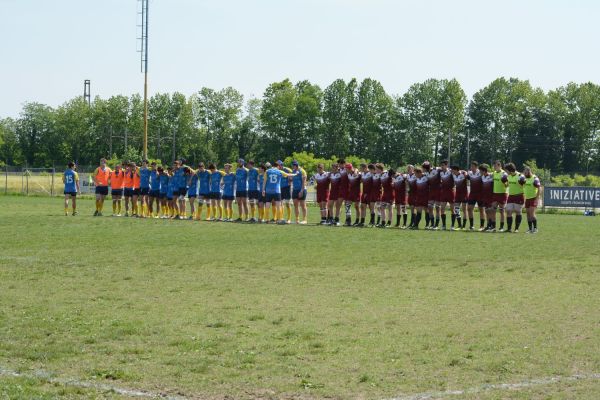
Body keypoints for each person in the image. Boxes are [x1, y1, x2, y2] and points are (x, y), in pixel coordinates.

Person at [504, 162, 525, 232]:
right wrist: (504, 182)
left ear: (510, 170)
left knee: (518, 211)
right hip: (511, 196)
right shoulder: (508, 176)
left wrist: (522, 182)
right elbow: (507, 185)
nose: (505, 171)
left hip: (519, 195)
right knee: (508, 211)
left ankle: (516, 228)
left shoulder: (520, 175)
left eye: (506, 170)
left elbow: (524, 184)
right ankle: (509, 228)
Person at [466, 161, 484, 231]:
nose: (471, 168)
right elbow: (464, 176)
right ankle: (471, 226)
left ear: (476, 167)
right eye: (471, 166)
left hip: (480, 194)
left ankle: (482, 226)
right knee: (469, 208)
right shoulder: (469, 173)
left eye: (473, 166)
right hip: (472, 194)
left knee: (481, 210)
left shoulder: (480, 173)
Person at [491, 160, 509, 232]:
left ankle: (501, 227)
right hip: (495, 194)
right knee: (493, 210)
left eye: (495, 166)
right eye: (494, 166)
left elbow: (507, 185)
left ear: (499, 166)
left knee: (501, 211)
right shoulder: (494, 173)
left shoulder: (504, 174)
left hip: (502, 194)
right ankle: (493, 227)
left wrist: (504, 183)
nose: (494, 167)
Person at [523, 166, 541, 233]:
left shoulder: (535, 178)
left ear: (529, 171)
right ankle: (530, 229)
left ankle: (535, 228)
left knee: (532, 214)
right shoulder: (525, 179)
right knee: (527, 214)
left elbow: (539, 188)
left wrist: (537, 198)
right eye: (524, 172)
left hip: (533, 198)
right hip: (527, 199)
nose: (524, 173)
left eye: (525, 172)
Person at [423, 161, 440, 229]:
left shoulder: (436, 170)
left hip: (438, 191)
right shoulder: (426, 173)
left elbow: (447, 169)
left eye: (423, 167)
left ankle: (436, 225)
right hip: (431, 192)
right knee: (430, 208)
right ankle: (432, 224)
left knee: (437, 208)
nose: (422, 169)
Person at [438, 160, 455, 230]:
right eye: (441, 165)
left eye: (443, 165)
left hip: (450, 192)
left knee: (452, 209)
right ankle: (444, 225)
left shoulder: (451, 172)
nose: (442, 166)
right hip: (443, 192)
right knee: (442, 209)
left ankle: (452, 226)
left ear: (446, 165)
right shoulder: (440, 172)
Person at [291, 160, 308, 224]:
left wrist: (301, 190)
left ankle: (304, 220)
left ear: (296, 165)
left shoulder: (302, 171)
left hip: (302, 189)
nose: (292, 166)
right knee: (295, 205)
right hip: (295, 189)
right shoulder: (293, 171)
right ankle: (297, 220)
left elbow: (304, 182)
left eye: (293, 165)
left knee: (303, 205)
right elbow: (292, 179)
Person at [451, 165, 468, 230]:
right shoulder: (453, 175)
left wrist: (465, 172)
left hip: (464, 194)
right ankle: (459, 225)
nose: (452, 171)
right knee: (457, 210)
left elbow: (466, 173)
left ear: (456, 170)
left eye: (453, 170)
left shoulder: (463, 174)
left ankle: (463, 226)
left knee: (464, 210)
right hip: (457, 194)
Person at [479, 164, 494, 231]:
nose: (480, 173)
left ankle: (491, 225)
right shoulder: (482, 177)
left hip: (491, 197)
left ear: (484, 171)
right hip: (485, 197)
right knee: (487, 211)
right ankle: (488, 225)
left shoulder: (491, 176)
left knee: (490, 211)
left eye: (480, 171)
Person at [337, 158, 352, 226]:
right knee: (338, 204)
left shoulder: (347, 168)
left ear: (343, 164)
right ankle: (337, 219)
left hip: (348, 189)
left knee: (347, 205)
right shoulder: (339, 170)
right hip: (341, 189)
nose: (338, 165)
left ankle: (348, 220)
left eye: (339, 164)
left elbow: (355, 170)